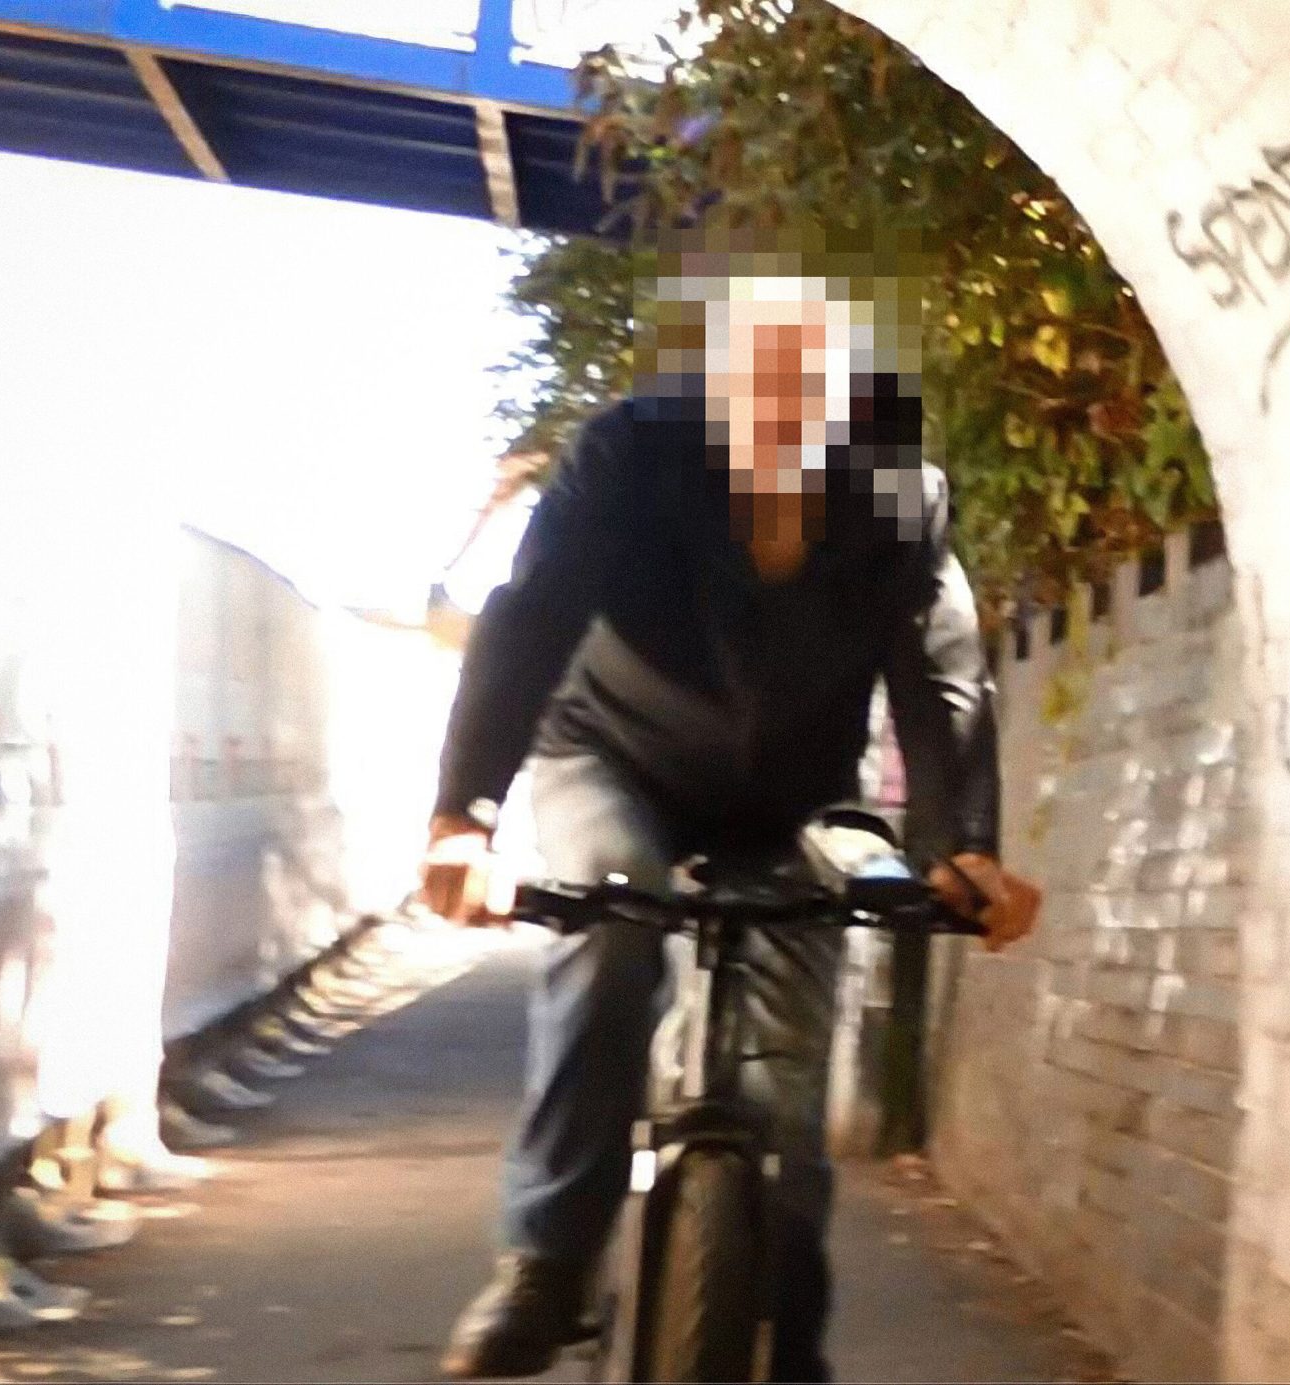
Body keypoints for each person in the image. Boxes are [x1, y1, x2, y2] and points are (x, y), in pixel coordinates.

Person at [417, 262, 1039, 1382]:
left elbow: (938, 670)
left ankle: (784, 1328)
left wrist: (965, 847)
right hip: (609, 756)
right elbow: (529, 618)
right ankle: (547, 1261)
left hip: (798, 794)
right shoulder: (627, 455)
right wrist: (465, 818)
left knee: (784, 1079)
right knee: (608, 927)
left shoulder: (897, 491)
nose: (781, 435)